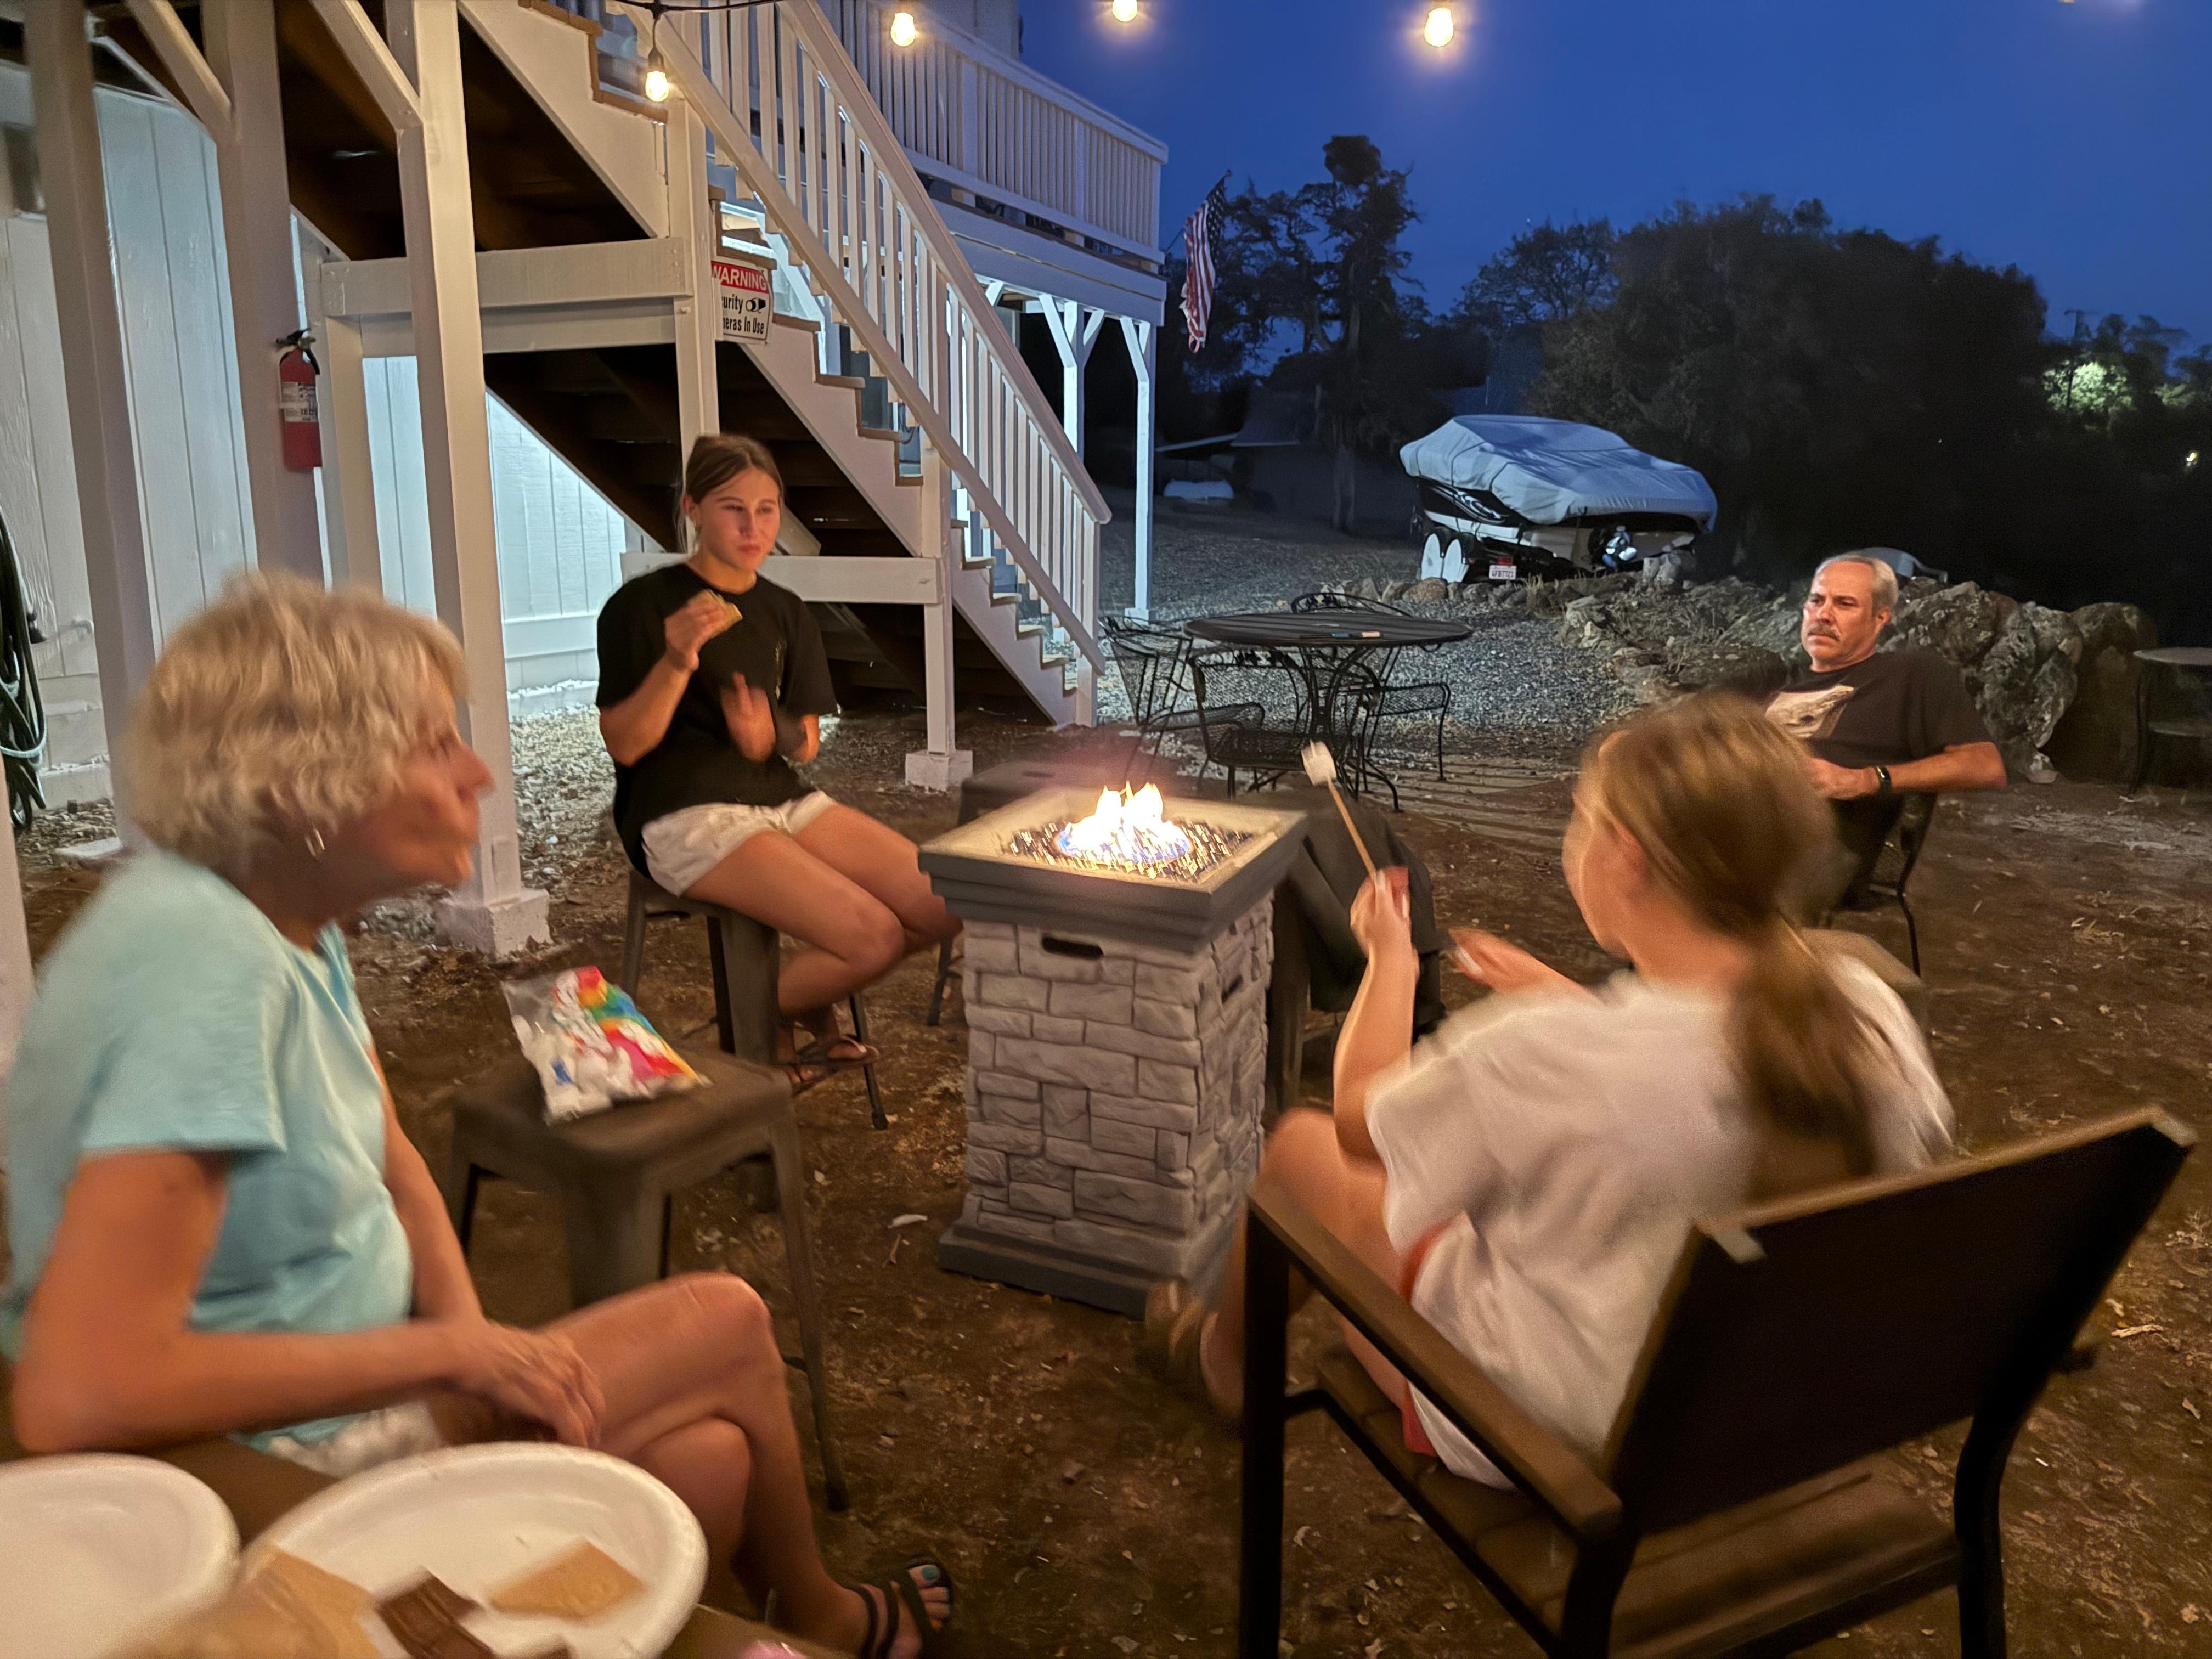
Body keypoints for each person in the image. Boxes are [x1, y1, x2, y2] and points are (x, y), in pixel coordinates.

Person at [0, 576, 949, 1659]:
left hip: (370, 1394)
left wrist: (470, 1348)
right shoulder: (204, 966)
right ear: (307, 787)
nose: (479, 773)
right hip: (265, 1460)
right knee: (728, 1321)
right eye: (436, 745)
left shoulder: (282, 919)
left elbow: (394, 1155)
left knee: (712, 1467)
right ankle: (828, 1620)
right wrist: (442, 1358)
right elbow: (76, 1394)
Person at [1146, 695, 1954, 1484]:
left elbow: (1365, 1120)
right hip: (1770, 1412)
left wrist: (1389, 962)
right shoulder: (1861, 1007)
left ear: (1628, 854)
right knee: (1490, 1175)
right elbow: (1687, 1074)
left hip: (1565, 1433)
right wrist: (1575, 1005)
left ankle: (1222, 1364)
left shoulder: (1544, 1057)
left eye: (1580, 817)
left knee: (1304, 1150)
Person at [596, 433, 960, 1086]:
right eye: (734, 508)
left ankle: (778, 1008)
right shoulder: (642, 608)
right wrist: (678, 661)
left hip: (779, 796)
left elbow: (808, 741)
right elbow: (625, 745)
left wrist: (773, 736)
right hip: (683, 811)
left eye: (767, 510)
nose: (752, 526)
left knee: (943, 904)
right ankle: (751, 1024)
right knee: (873, 935)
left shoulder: (786, 611)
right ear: (693, 509)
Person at [1767, 553, 2007, 901]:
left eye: (1844, 604)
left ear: (1880, 619)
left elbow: (1985, 766)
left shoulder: (1911, 676)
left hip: (1804, 850)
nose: (1823, 614)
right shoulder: (1769, 682)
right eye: (1816, 601)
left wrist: (1867, 779)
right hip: (1721, 822)